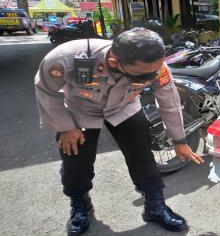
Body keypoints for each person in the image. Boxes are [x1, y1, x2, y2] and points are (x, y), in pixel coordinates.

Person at [34, 28, 204, 235]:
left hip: (124, 107)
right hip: (80, 109)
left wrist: (179, 140)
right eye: (144, 75)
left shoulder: (155, 67)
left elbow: (169, 102)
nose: (154, 75)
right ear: (114, 62)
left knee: (142, 156)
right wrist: (65, 127)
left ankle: (154, 205)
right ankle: (81, 204)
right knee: (75, 161)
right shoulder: (65, 59)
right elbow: (46, 90)